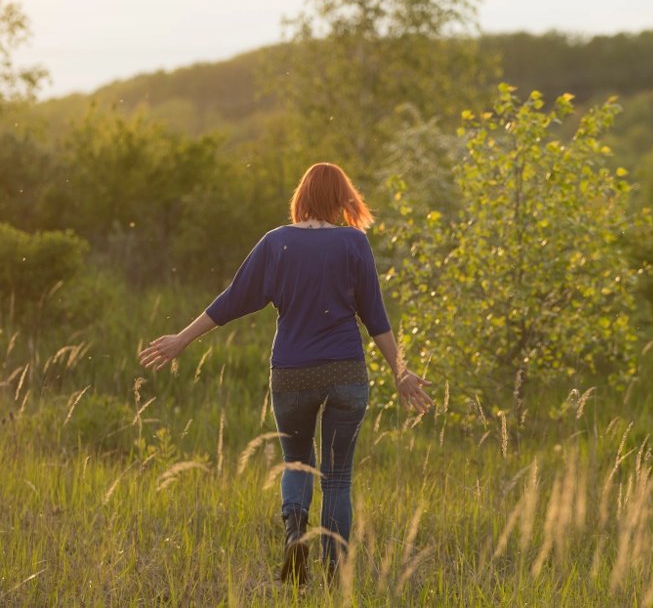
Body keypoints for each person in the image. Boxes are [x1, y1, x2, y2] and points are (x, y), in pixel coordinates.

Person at [138, 162, 432, 584]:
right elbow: (376, 317)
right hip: (346, 374)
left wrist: (182, 339)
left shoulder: (277, 243)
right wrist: (401, 371)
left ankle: (296, 534)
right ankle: (335, 576)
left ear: (302, 197)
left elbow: (233, 299)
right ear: (341, 198)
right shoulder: (354, 243)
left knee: (296, 463)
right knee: (337, 478)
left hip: (291, 374)